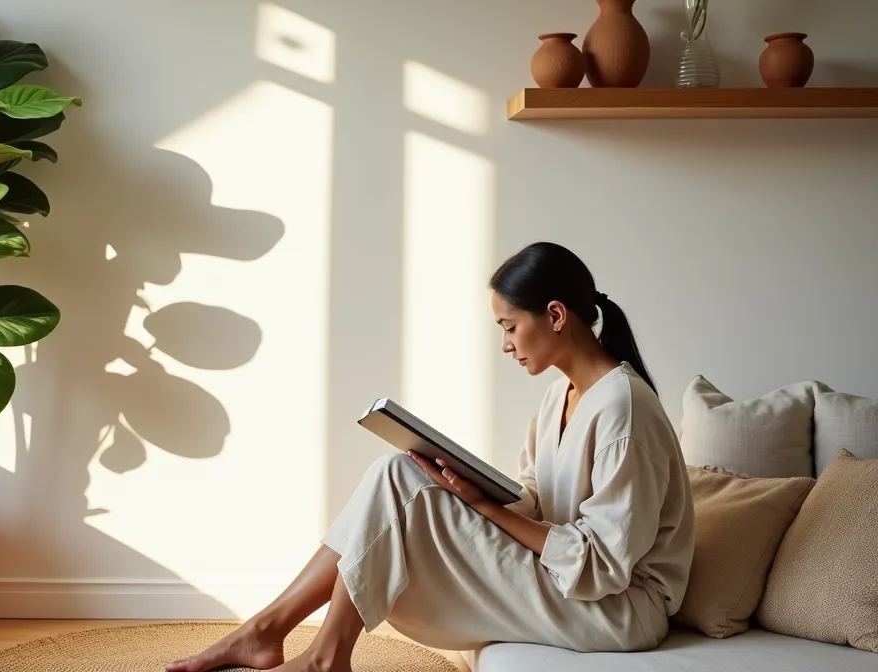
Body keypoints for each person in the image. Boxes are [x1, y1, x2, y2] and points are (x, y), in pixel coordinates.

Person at [166, 242, 696, 672]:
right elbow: (537, 500)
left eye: (510, 327)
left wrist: (487, 512)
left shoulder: (624, 408)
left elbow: (603, 565)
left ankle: (303, 648)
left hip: (618, 611)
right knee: (401, 472)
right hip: (568, 579)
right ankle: (283, 638)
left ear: (555, 315)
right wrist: (475, 489)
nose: (507, 344)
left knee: (400, 479)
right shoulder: (561, 394)